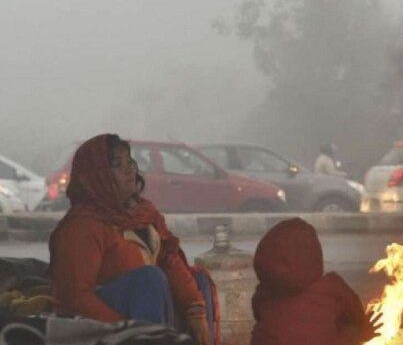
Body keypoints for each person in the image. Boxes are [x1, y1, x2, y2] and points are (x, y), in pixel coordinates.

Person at [49, 134, 215, 345]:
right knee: (149, 279)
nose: (130, 170)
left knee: (198, 284)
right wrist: (128, 329)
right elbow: (74, 297)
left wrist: (195, 311)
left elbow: (170, 261)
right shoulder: (81, 226)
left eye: (129, 162)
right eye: (118, 165)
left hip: (149, 311)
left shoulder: (143, 214)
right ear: (96, 177)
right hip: (105, 325)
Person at [251, 218, 381, 345]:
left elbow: (258, 313)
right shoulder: (332, 286)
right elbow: (355, 313)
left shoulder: (265, 292)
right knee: (348, 328)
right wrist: (363, 330)